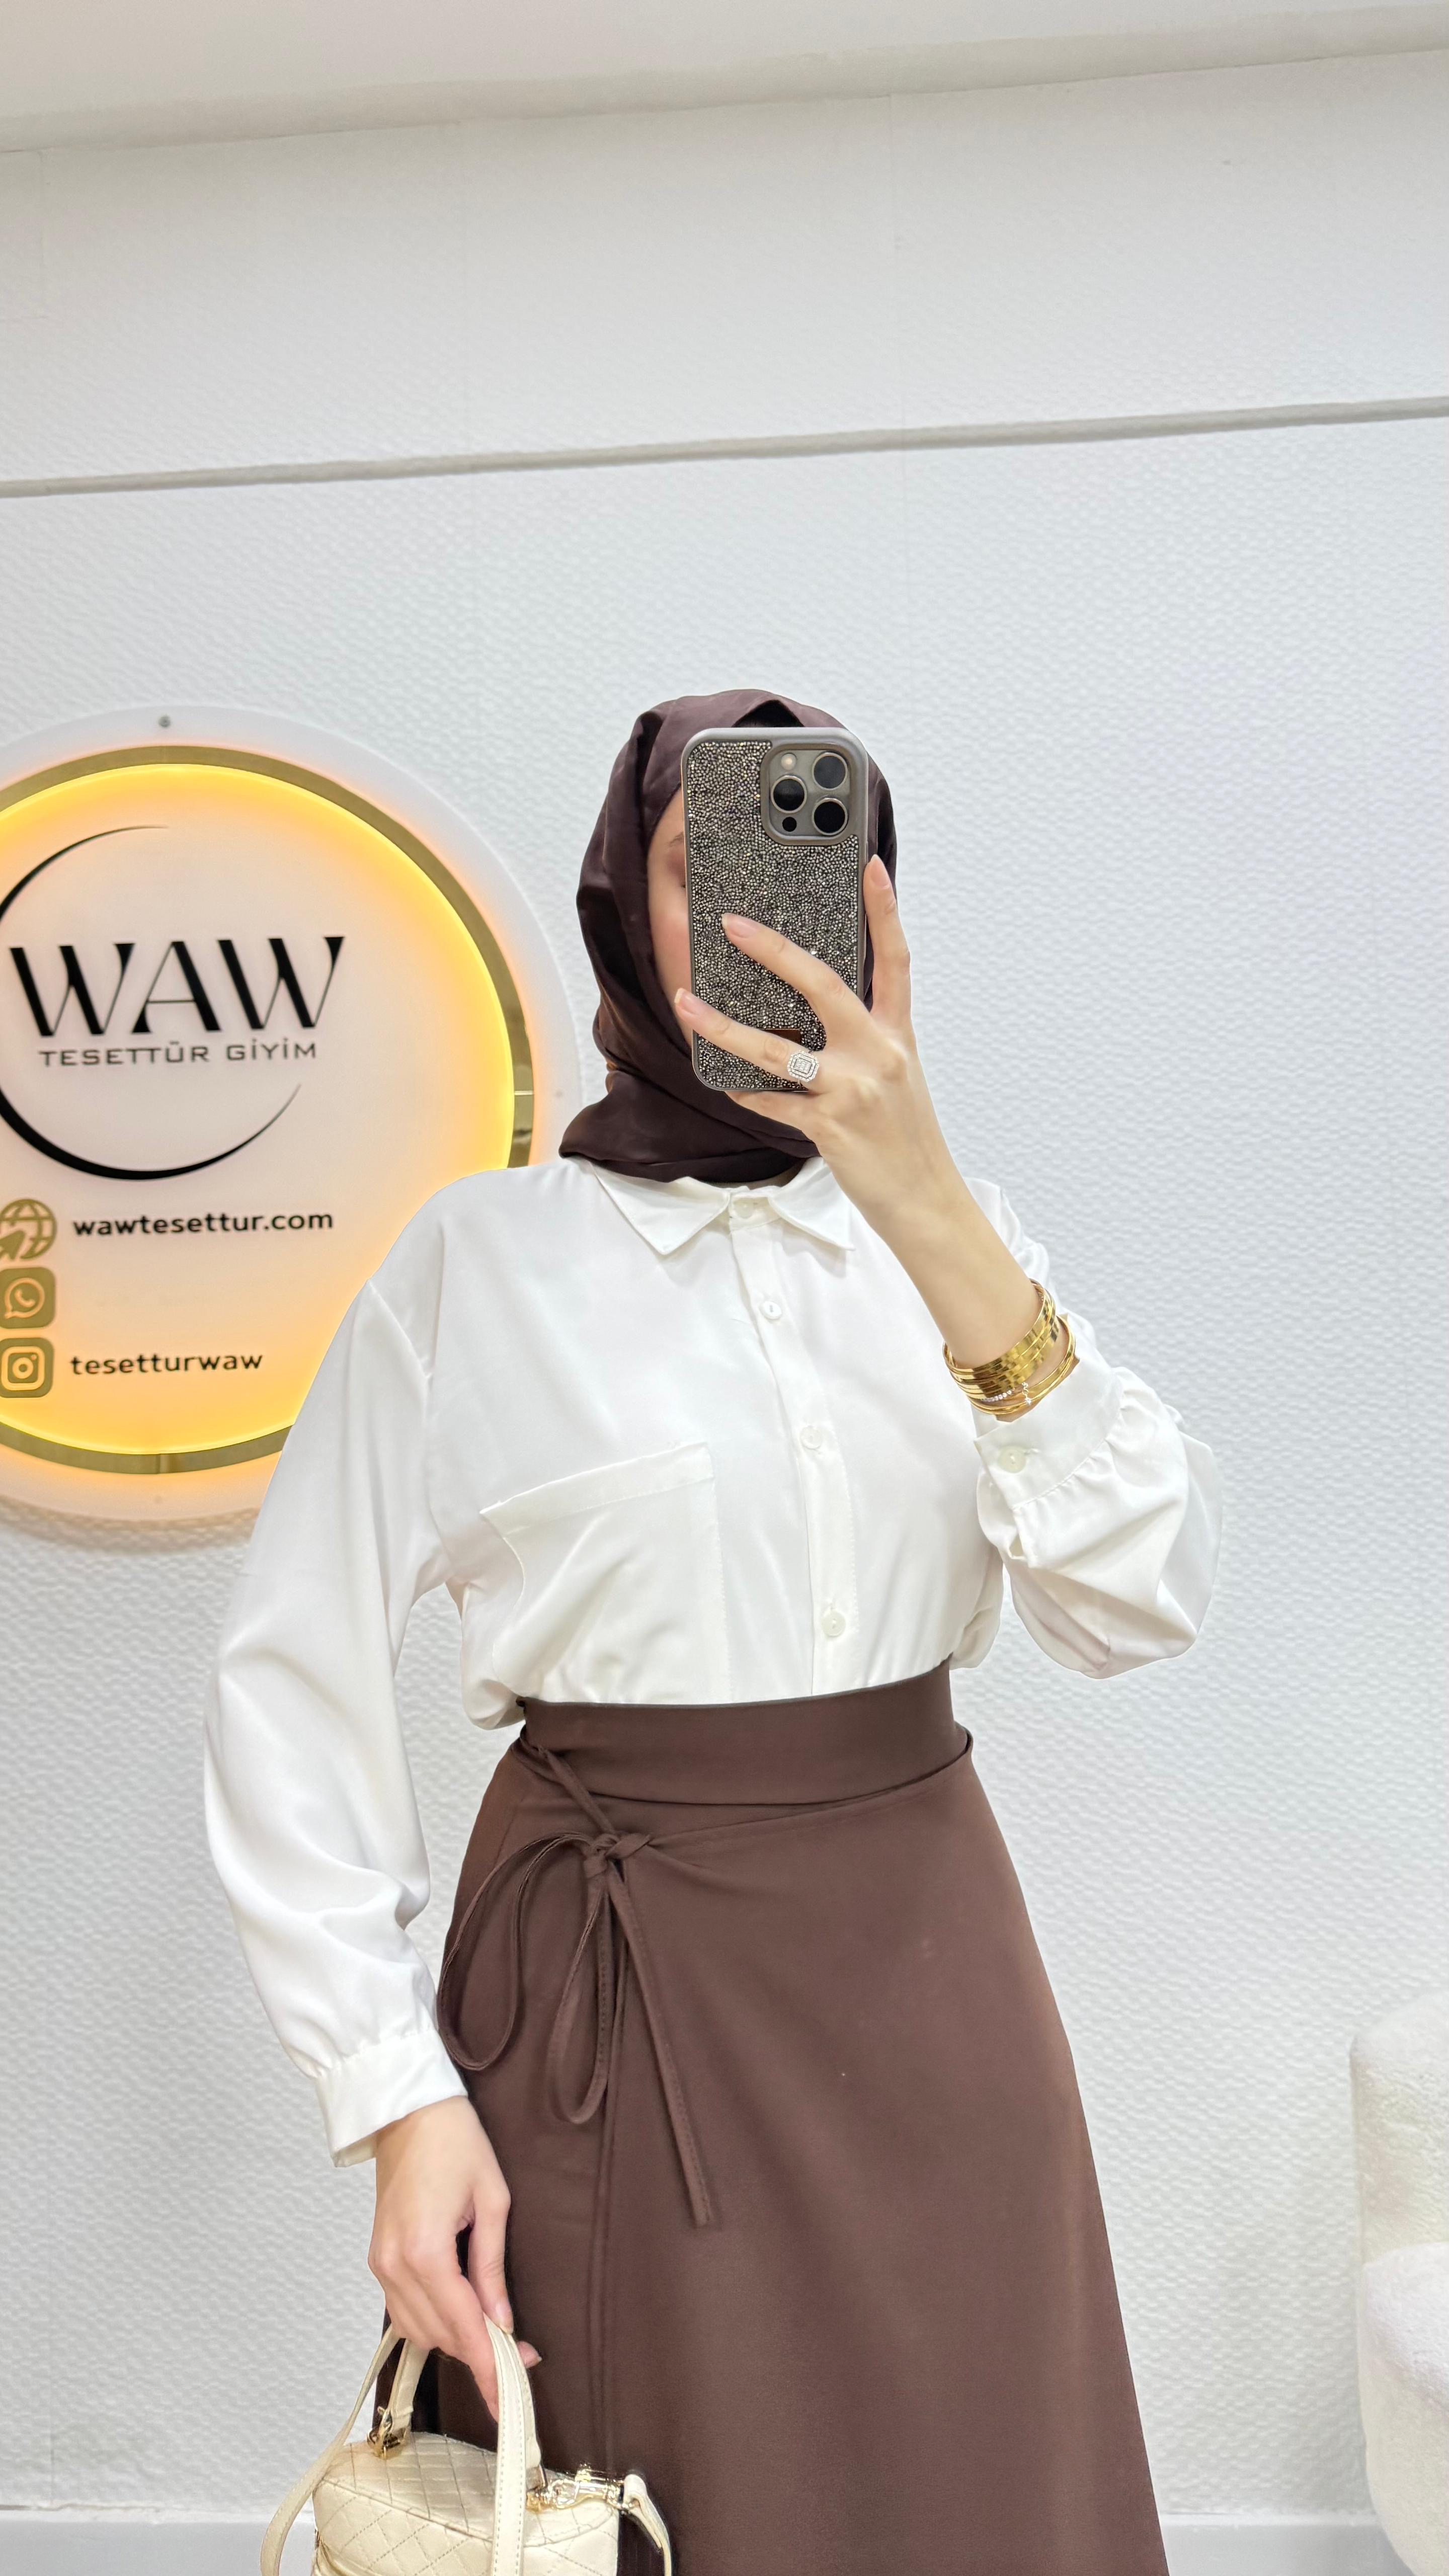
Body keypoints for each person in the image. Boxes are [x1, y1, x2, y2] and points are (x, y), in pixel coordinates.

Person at [206, 687, 1221, 2575]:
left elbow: (1136, 1599)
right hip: (612, 1996)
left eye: (821, 858)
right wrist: (394, 2097)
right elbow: (289, 1686)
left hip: (931, 1970)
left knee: (981, 2483)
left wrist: (925, 1203)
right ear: (622, 906)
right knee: (661, 2497)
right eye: (701, 866)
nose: (758, 913)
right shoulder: (479, 1265)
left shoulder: (959, 1245)